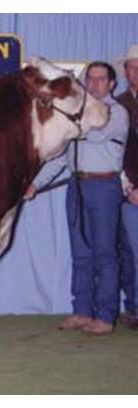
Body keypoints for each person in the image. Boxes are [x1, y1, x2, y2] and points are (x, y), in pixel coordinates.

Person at [25, 61, 129, 334]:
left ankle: (105, 316)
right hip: (77, 185)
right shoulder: (77, 117)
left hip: (104, 186)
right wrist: (34, 184)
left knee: (105, 254)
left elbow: (96, 136)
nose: (94, 84)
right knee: (80, 253)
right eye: (90, 79)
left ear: (112, 84)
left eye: (101, 79)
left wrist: (67, 126)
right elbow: (60, 158)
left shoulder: (116, 112)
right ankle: (82, 311)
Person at [116, 44, 138, 328]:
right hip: (127, 190)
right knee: (127, 251)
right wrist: (129, 187)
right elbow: (115, 152)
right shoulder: (117, 105)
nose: (137, 73)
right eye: (133, 67)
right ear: (125, 71)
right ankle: (133, 306)